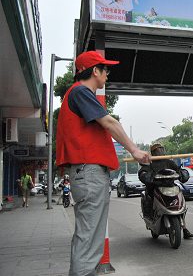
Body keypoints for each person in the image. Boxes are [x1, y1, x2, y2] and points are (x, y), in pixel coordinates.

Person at [56, 50, 150, 276]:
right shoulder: (80, 91)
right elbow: (109, 123)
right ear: (94, 71)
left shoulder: (78, 94)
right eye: (105, 69)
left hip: (86, 173)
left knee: (88, 236)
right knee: (89, 238)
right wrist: (134, 150)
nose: (107, 73)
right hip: (89, 173)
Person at [138, 143, 193, 239]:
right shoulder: (150, 163)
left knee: (180, 202)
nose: (160, 151)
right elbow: (143, 172)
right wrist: (146, 175)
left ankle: (184, 228)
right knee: (149, 199)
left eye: (161, 149)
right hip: (155, 187)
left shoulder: (169, 162)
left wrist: (182, 173)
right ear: (153, 152)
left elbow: (178, 170)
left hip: (170, 186)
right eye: (157, 150)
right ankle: (151, 218)